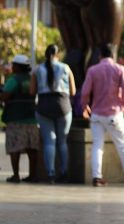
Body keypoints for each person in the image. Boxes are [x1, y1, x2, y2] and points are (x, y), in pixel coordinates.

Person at [81, 44, 124, 187]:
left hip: (96, 115)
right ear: (113, 55)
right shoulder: (120, 69)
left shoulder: (92, 70)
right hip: (113, 114)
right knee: (123, 145)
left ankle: (97, 177)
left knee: (97, 145)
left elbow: (85, 91)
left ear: (100, 56)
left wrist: (85, 106)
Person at [30, 44, 76, 183]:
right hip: (63, 106)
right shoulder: (66, 68)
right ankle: (64, 172)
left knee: (49, 142)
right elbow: (73, 92)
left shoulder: (37, 69)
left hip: (44, 106)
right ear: (58, 54)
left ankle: (50, 173)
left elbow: (32, 91)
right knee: (62, 142)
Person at [0, 54, 40, 183]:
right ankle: (33, 175)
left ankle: (16, 175)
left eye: (13, 65)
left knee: (14, 148)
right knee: (32, 148)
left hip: (16, 118)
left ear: (17, 67)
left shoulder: (14, 79)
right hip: (32, 118)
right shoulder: (32, 78)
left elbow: (5, 96)